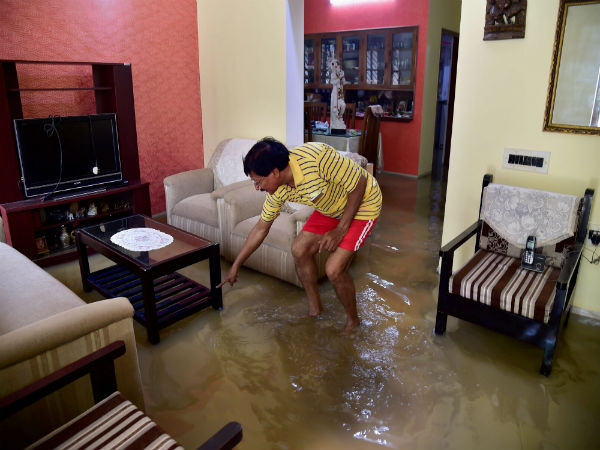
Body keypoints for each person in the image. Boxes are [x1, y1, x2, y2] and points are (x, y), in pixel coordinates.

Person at [218, 138, 382, 331]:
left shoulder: (317, 157)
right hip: (330, 208)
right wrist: (236, 266)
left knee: (333, 269)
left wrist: (340, 229)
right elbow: (261, 228)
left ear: (275, 172)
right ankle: (315, 310)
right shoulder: (277, 191)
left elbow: (360, 183)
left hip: (363, 203)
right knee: (298, 249)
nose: (257, 187)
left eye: (258, 181)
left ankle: (353, 322)